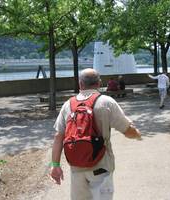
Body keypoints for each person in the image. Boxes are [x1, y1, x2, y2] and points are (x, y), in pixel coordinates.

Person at [49, 68, 141, 200]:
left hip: (77, 167)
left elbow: (58, 136)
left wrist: (55, 165)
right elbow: (127, 130)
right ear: (99, 83)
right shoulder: (106, 102)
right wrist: (137, 134)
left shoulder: (67, 105)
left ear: (80, 84)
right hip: (101, 166)